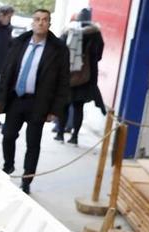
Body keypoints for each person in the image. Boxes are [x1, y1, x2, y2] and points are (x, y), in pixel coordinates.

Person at [0, 8, 70, 193]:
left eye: (44, 20)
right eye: (37, 19)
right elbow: (7, 71)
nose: (40, 23)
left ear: (49, 24)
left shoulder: (58, 49)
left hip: (40, 102)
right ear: (32, 22)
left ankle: (27, 179)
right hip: (16, 99)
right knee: (8, 135)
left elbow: (63, 81)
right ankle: (8, 165)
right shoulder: (19, 42)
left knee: (33, 143)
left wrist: (55, 110)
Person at [53, 9, 104, 144]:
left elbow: (58, 50)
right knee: (78, 107)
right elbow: (99, 55)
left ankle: (60, 133)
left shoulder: (68, 30)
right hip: (85, 77)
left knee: (64, 105)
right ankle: (74, 136)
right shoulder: (96, 33)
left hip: (68, 75)